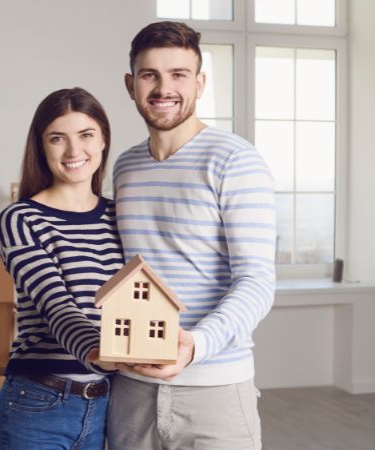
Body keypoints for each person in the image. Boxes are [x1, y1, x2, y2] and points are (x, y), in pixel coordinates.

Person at [107, 21, 276, 450]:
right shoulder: (125, 167)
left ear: (200, 84)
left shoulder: (235, 160)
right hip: (131, 390)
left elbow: (257, 282)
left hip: (215, 389)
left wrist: (195, 346)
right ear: (131, 85)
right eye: (150, 75)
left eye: (179, 74)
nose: (164, 88)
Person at [0, 87, 124, 450]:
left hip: (106, 404)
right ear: (41, 146)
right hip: (36, 404)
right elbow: (56, 306)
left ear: (104, 140)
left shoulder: (120, 216)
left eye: (86, 135)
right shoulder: (21, 218)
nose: (74, 151)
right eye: (57, 138)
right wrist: (98, 353)